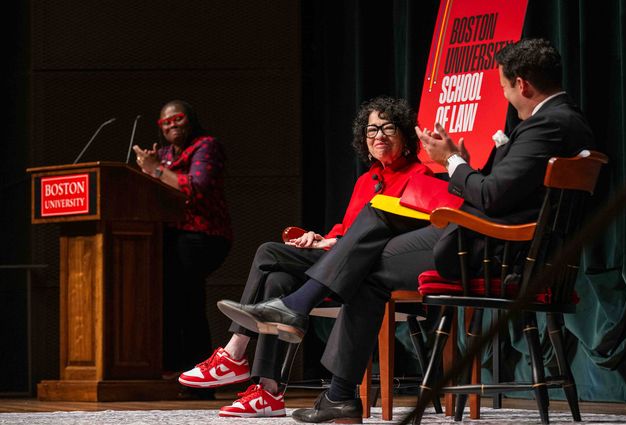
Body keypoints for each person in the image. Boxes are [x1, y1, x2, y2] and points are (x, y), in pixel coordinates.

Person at [217, 38, 595, 423]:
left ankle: (317, 349)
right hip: (496, 244)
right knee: (377, 221)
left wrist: (450, 162)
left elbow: (492, 197)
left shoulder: (546, 125)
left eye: (504, 87)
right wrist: (462, 163)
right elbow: (500, 192)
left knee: (368, 250)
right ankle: (331, 382)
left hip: (494, 252)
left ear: (524, 84)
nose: (506, 95)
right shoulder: (565, 121)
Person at [177, 96, 433, 417]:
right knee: (278, 277)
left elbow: (400, 240)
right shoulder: (365, 180)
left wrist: (334, 245)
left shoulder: (420, 177)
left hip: (374, 272)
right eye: (371, 130)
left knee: (268, 252)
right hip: (341, 264)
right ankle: (268, 391)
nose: (378, 135)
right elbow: (347, 230)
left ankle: (235, 351)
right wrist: (322, 239)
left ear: (406, 137)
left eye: (388, 128)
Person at [133, 100, 232, 385]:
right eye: (165, 122)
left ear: (190, 119)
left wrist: (154, 170)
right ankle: (175, 370)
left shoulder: (206, 146)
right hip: (169, 236)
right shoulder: (162, 155)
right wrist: (146, 171)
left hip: (202, 236)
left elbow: (196, 188)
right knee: (171, 301)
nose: (171, 125)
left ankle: (196, 375)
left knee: (187, 301)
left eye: (177, 119)